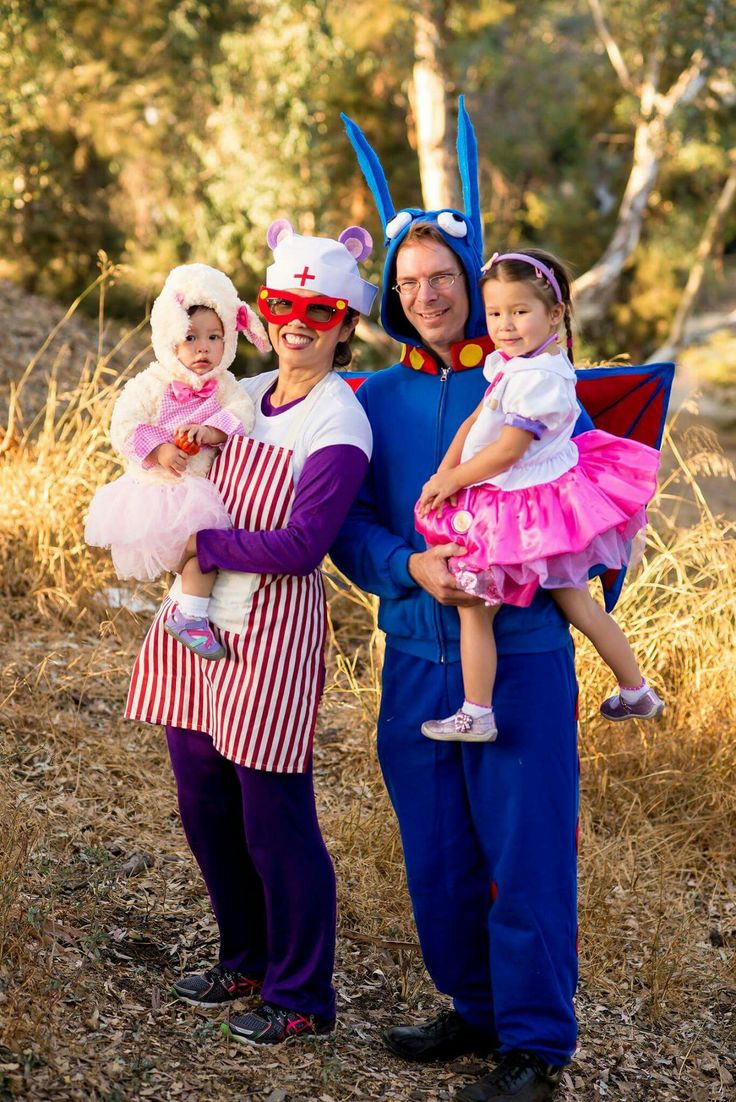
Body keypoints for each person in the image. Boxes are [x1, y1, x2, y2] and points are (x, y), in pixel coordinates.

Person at [332, 103, 671, 1102]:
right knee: (436, 857)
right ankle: (471, 1009)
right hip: (417, 656)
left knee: (524, 856)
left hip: (519, 654)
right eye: (410, 282)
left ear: (476, 285)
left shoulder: (532, 388)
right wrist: (408, 568)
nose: (427, 294)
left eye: (443, 278)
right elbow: (349, 524)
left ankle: (532, 1044)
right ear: (391, 297)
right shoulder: (368, 402)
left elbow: (587, 500)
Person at [124, 220, 376, 1045]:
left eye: (319, 308)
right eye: (282, 303)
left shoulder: (338, 423)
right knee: (203, 803)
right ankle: (246, 958)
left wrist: (205, 545)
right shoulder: (243, 390)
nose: (297, 320)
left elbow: (306, 545)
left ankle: (303, 994)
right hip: (194, 621)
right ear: (260, 313)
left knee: (274, 815)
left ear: (344, 322)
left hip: (270, 627)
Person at [416, 248, 664, 744]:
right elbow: (476, 420)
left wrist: (457, 480)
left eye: (519, 311)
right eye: (495, 313)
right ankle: (637, 690)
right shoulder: (515, 363)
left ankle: (476, 712)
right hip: (543, 499)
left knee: (475, 606)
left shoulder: (540, 377)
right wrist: (441, 473)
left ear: (554, 314)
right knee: (579, 604)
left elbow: (508, 450)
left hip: (523, 508)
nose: (505, 325)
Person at [85, 264, 269, 660]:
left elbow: (242, 412)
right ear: (169, 339)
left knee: (203, 549)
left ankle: (190, 614)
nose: (203, 348)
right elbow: (124, 423)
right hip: (156, 490)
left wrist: (214, 431)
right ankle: (187, 611)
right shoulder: (152, 382)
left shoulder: (225, 387)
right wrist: (160, 449)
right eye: (190, 338)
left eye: (214, 337)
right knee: (195, 547)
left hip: (198, 491)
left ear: (230, 340)